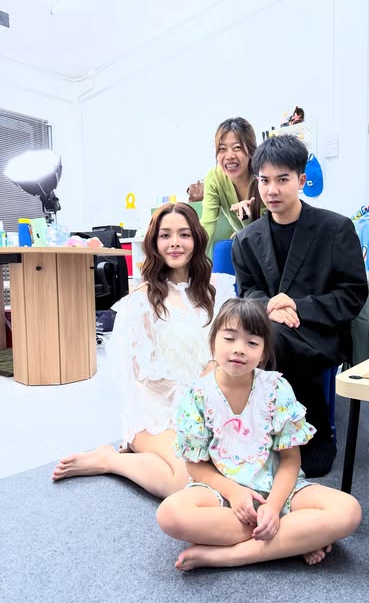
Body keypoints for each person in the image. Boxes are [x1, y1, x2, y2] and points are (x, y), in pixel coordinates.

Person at [156, 298, 362, 571]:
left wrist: (273, 508)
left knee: (348, 510)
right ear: (213, 342)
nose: (239, 349)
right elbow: (195, 465)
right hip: (223, 495)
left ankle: (228, 555)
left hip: (280, 491)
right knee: (170, 514)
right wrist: (234, 492)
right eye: (230, 338)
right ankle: (295, 538)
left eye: (252, 343)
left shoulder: (276, 388)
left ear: (264, 353)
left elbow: (290, 460)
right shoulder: (197, 395)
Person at [51, 203, 235, 498]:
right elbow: (144, 374)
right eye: (166, 235)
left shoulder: (219, 288)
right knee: (185, 480)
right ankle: (111, 460)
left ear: (197, 239)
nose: (175, 242)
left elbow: (234, 342)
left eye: (184, 234)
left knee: (238, 466)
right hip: (159, 410)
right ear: (154, 242)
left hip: (216, 404)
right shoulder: (141, 299)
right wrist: (197, 391)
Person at [231, 135, 368, 478]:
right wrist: (271, 307)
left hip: (320, 331)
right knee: (246, 335)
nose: (272, 190)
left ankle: (309, 432)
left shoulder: (335, 228)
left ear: (301, 180)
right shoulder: (246, 239)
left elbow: (352, 294)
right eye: (264, 180)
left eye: (282, 179)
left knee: (271, 338)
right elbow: (247, 291)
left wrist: (298, 306)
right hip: (269, 329)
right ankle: (257, 430)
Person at [201, 117, 265, 256]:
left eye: (237, 147)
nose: (229, 156)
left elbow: (270, 231)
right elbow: (207, 225)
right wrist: (196, 261)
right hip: (245, 244)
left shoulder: (263, 176)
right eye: (222, 149)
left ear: (250, 151)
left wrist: (245, 222)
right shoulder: (214, 178)